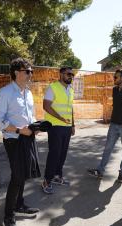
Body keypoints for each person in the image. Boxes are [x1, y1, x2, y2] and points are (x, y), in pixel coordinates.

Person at [0, 58, 40, 226]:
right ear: (16, 72)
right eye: (27, 71)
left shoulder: (28, 92)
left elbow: (31, 115)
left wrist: (35, 126)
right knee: (17, 176)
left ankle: (19, 204)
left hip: (28, 137)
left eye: (31, 71)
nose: (30, 74)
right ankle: (8, 216)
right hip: (13, 139)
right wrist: (20, 130)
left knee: (25, 174)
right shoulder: (5, 93)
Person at [87, 69, 122, 183]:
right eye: (114, 77)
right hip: (114, 124)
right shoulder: (114, 90)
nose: (113, 79)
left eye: (116, 77)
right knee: (107, 148)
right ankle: (100, 171)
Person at [42, 66, 75, 194]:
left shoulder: (70, 89)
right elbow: (46, 106)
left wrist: (73, 125)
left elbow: (70, 108)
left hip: (67, 127)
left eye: (72, 74)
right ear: (61, 74)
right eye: (68, 74)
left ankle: (57, 176)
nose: (70, 76)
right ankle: (46, 180)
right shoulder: (53, 87)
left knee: (63, 153)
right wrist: (61, 118)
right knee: (54, 154)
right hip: (55, 126)